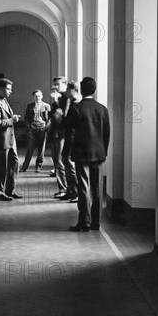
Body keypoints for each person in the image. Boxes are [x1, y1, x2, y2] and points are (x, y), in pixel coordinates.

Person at [66, 77, 110, 232]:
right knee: (97, 188)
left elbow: (69, 134)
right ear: (94, 90)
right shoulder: (103, 109)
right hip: (98, 153)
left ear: (81, 90)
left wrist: (66, 153)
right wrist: (104, 151)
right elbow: (106, 133)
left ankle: (84, 222)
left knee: (83, 187)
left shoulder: (75, 109)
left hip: (81, 152)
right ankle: (96, 222)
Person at [0, 78, 23, 201]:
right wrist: (11, 120)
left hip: (10, 139)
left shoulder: (4, 101)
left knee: (14, 163)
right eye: (8, 89)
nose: (10, 91)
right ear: (1, 89)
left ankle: (10, 190)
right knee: (1, 167)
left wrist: (12, 118)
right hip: (2, 140)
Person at [50, 76, 78, 202]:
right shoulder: (61, 99)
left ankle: (73, 191)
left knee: (66, 163)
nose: (55, 87)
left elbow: (63, 119)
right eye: (54, 84)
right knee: (60, 164)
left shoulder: (69, 99)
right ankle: (67, 190)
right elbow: (55, 117)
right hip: (58, 134)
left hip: (65, 136)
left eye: (57, 84)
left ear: (65, 85)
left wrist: (57, 107)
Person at [20, 89, 50, 172]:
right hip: (32, 129)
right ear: (33, 97)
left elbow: (50, 119)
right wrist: (28, 128)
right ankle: (24, 167)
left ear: (42, 96)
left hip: (42, 129)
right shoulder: (30, 105)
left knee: (41, 149)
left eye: (39, 96)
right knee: (30, 149)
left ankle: (38, 167)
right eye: (36, 96)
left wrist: (46, 127)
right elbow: (26, 118)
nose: (37, 98)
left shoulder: (46, 106)